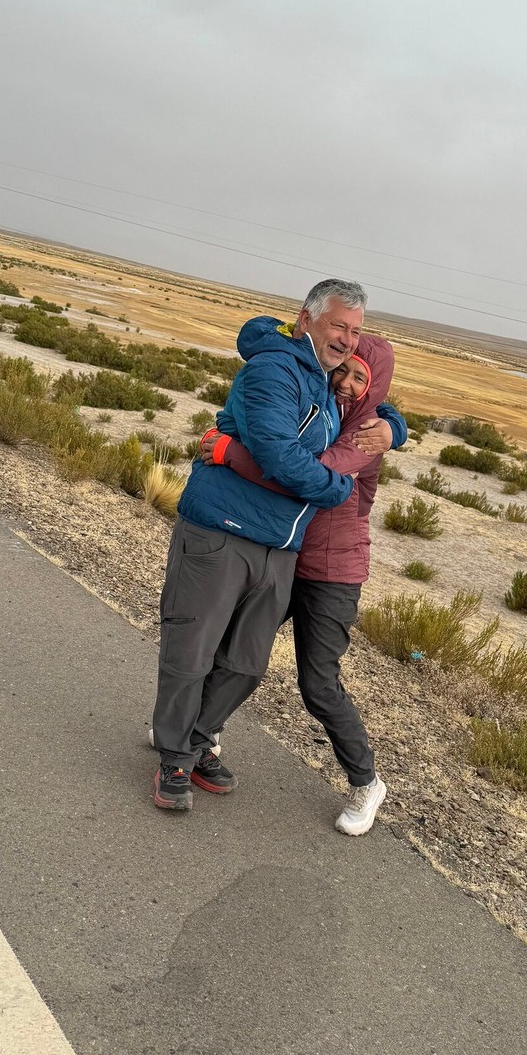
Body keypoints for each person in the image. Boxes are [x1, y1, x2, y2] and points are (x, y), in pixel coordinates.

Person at [151, 279, 370, 813]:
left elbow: (373, 402)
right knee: (192, 651)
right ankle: (174, 759)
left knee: (246, 664)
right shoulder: (274, 369)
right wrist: (336, 488)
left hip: (280, 546)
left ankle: (196, 739)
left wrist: (391, 425)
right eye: (339, 325)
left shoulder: (324, 382)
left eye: (356, 331)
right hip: (222, 530)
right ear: (306, 318)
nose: (347, 339)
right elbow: (279, 455)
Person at [202, 332, 404, 835]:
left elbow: (307, 473)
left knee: (318, 683)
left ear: (376, 388)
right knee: (239, 648)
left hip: (335, 572)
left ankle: (366, 782)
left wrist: (229, 453)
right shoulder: (328, 409)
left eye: (362, 378)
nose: (348, 382)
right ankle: (200, 734)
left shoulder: (366, 435)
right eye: (345, 370)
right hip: (290, 552)